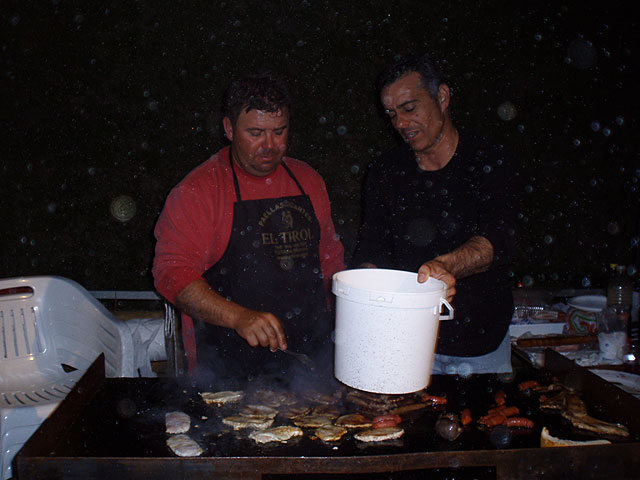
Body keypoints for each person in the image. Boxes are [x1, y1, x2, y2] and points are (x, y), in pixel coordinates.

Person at [153, 72, 345, 379]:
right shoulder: (198, 191)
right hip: (224, 367)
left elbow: (330, 262)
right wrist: (239, 317)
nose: (270, 145)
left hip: (308, 364)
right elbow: (171, 275)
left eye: (279, 132)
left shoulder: (308, 180)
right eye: (256, 133)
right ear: (229, 129)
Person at [352, 53, 520, 375]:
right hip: (401, 343)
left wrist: (445, 266)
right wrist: (364, 288)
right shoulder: (384, 172)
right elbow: (371, 246)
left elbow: (502, 237)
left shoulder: (489, 160)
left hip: (478, 345)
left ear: (442, 97)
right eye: (391, 114)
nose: (400, 123)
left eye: (409, 108)